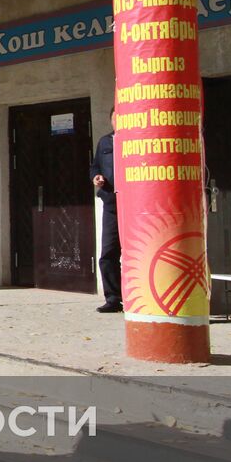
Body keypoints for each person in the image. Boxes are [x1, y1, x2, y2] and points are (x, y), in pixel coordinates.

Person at [90, 107, 122, 313]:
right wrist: (96, 177)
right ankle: (112, 298)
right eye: (114, 118)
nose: (117, 121)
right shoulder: (105, 142)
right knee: (108, 253)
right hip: (111, 204)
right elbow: (95, 167)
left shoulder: (138, 140)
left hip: (136, 206)